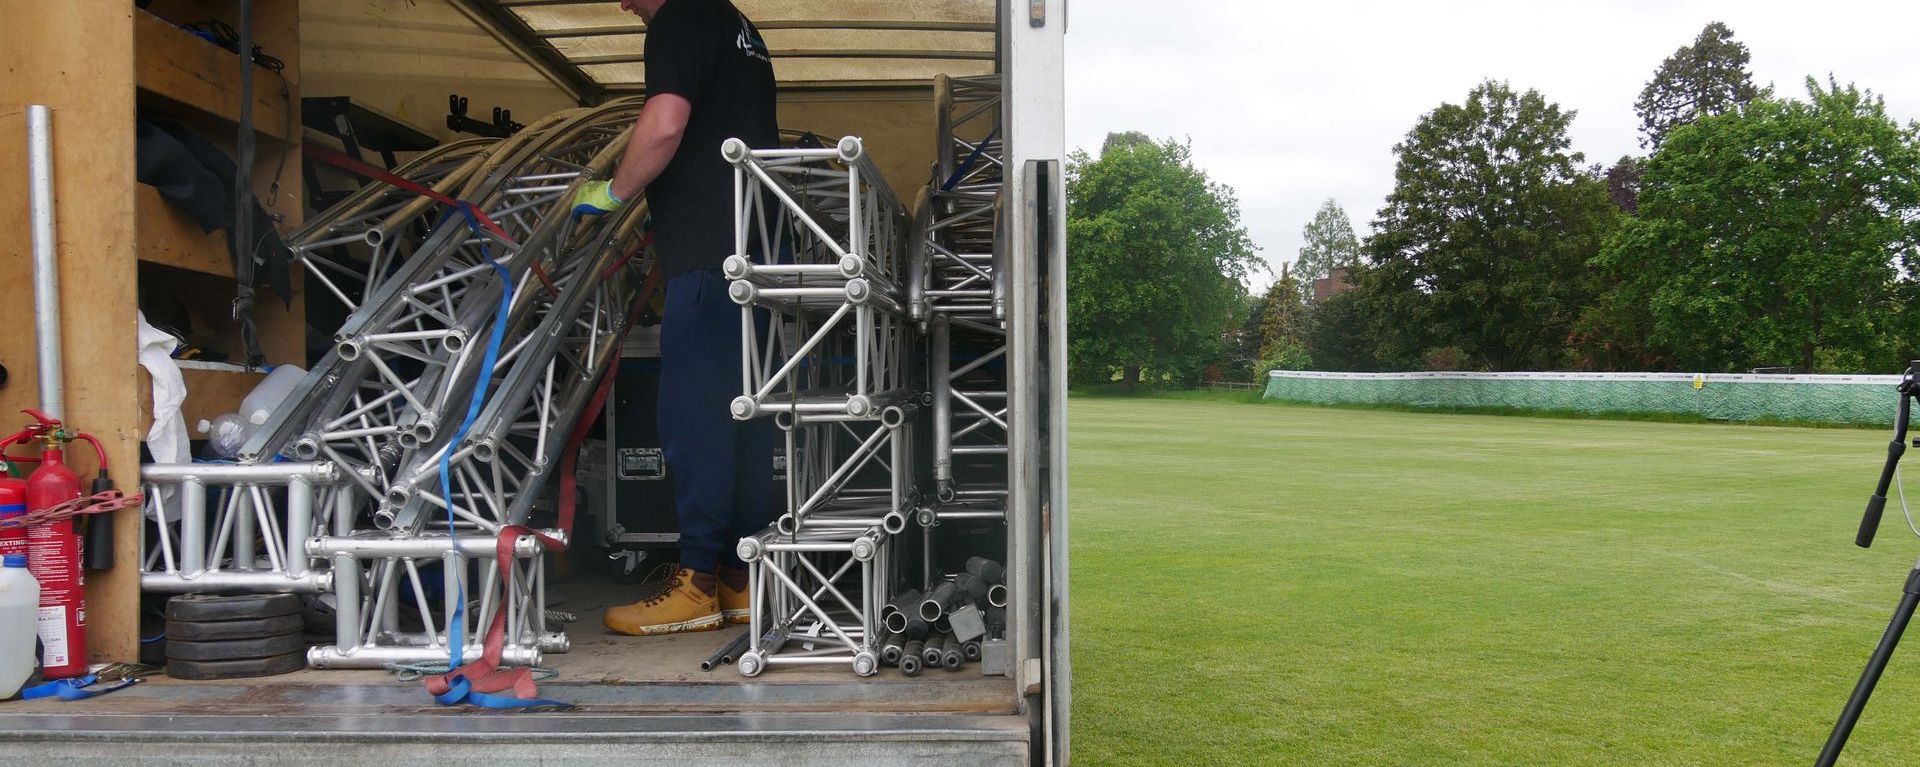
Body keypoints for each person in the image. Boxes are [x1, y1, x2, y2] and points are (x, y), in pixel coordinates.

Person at [572, 0, 778, 636]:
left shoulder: (679, 18)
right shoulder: (735, 23)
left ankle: (694, 583)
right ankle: (741, 581)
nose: (624, 4)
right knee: (746, 418)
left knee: (695, 420)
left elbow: (663, 125)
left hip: (710, 260)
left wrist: (612, 192)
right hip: (760, 258)